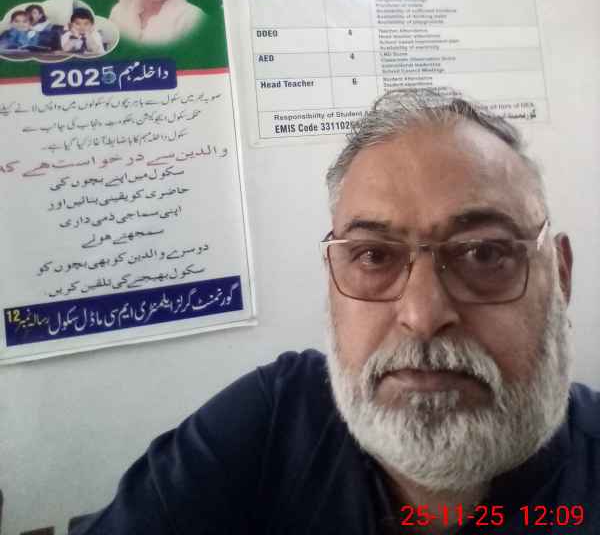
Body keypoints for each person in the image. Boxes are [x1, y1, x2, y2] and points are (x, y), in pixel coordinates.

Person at [72, 90, 600, 534]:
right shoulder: (274, 420)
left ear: (561, 275)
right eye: (373, 256)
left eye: (484, 253)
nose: (422, 315)